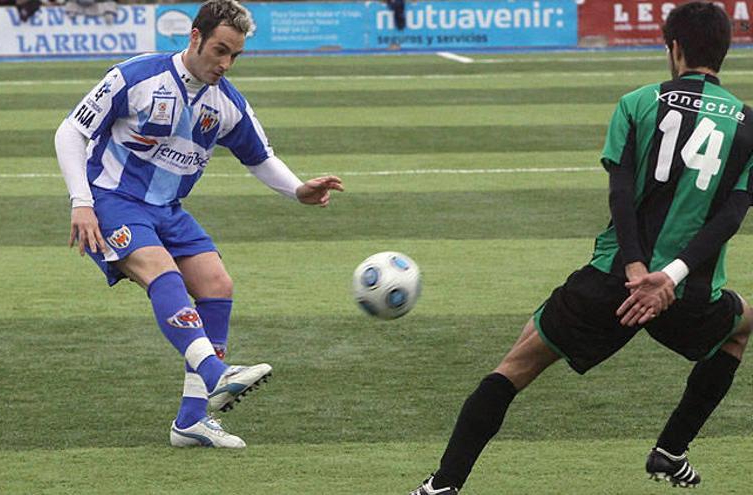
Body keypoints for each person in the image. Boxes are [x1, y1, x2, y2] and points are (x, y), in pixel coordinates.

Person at [410, 3, 752, 493]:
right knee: (739, 328)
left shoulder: (636, 102)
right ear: (727, 49)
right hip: (686, 293)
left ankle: (443, 485)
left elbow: (619, 193)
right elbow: (730, 216)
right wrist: (668, 279)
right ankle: (671, 449)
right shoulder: (747, 122)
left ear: (673, 48)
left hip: (612, 281)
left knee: (515, 366)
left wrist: (636, 267)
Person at [54, 0, 343, 449]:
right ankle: (216, 374)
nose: (225, 64)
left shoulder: (225, 103)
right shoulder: (137, 77)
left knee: (216, 284)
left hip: (168, 209)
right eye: (220, 51)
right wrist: (81, 203)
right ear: (195, 37)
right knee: (161, 272)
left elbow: (260, 157)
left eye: (235, 56)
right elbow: (71, 131)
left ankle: (191, 421)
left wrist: (298, 190)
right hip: (112, 200)